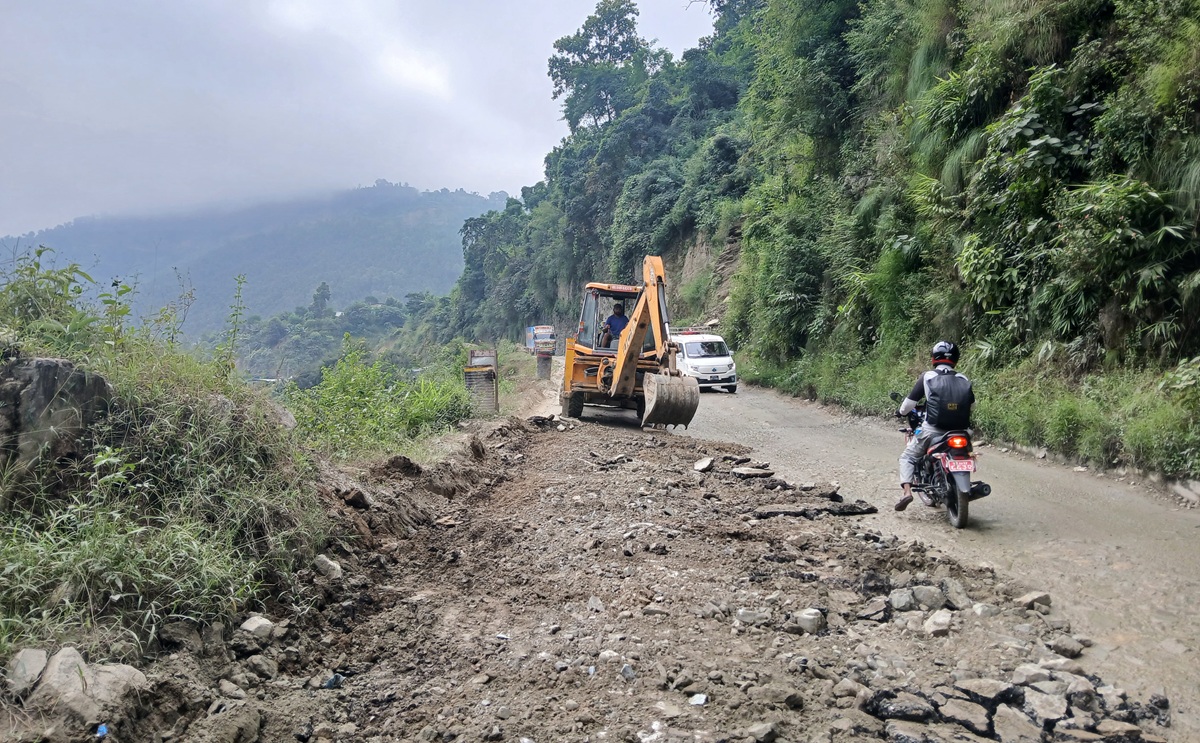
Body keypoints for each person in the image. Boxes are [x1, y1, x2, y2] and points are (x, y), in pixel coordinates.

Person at [895, 340, 975, 511]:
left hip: (933, 431)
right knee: (967, 453)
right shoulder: (963, 378)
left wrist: (900, 412)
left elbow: (908, 405)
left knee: (907, 457)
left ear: (934, 358)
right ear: (956, 359)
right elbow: (971, 406)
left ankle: (907, 492)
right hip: (962, 432)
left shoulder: (928, 376)